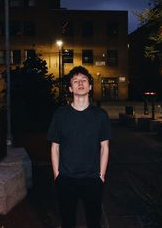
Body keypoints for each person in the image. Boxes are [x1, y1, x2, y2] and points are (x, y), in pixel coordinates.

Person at [47, 66, 111, 228]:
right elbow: (55, 147)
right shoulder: (60, 115)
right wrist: (57, 175)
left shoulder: (100, 115)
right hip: (66, 179)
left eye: (84, 80)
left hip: (92, 179)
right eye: (75, 81)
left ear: (90, 86)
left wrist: (101, 176)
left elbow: (105, 147)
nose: (80, 83)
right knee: (67, 222)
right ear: (70, 88)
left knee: (94, 222)